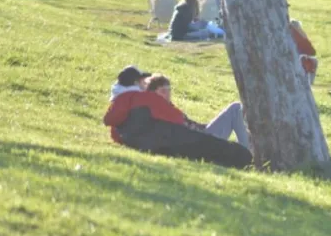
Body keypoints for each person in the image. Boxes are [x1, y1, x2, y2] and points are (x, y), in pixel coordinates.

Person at [102, 68, 252, 168]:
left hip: (191, 138)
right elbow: (180, 123)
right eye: (163, 91)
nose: (167, 94)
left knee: (234, 112)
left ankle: (248, 151)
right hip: (196, 140)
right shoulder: (148, 101)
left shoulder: (124, 111)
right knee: (235, 109)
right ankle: (250, 152)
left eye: (169, 91)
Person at [290, 19, 318, 84]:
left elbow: (312, 52)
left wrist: (304, 36)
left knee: (313, 60)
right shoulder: (287, 36)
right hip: (290, 58)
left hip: (298, 57)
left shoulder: (300, 38)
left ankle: (309, 83)